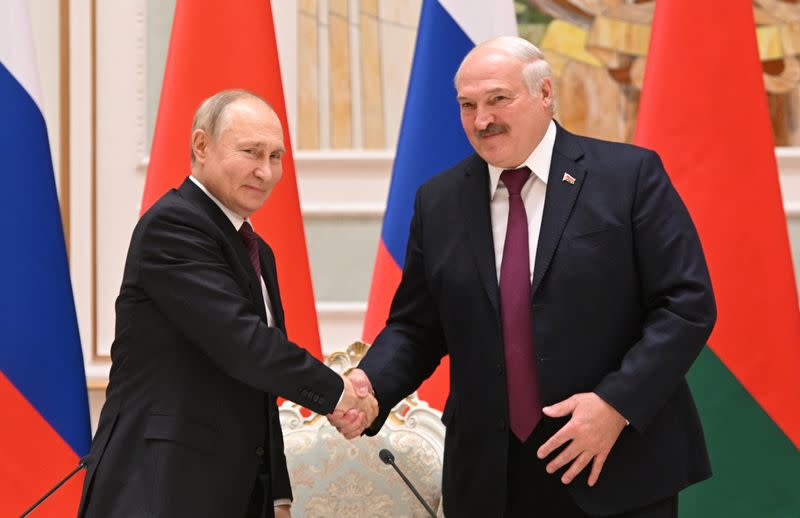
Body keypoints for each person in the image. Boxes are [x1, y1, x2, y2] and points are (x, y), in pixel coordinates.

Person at [330, 36, 716, 517]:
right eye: (467, 105)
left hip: (614, 461)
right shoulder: (440, 200)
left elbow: (685, 305)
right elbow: (417, 326)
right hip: (491, 475)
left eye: (498, 99)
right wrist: (372, 387)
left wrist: (614, 405)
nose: (482, 120)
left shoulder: (628, 176)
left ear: (545, 94)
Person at [78, 89, 377, 518]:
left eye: (276, 157)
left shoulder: (256, 250)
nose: (266, 171)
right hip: (160, 487)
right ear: (201, 146)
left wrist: (278, 494)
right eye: (251, 152)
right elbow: (244, 344)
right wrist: (338, 394)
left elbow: (260, 382)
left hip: (235, 491)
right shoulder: (173, 226)